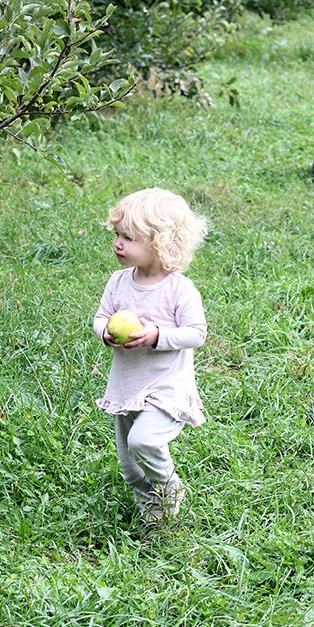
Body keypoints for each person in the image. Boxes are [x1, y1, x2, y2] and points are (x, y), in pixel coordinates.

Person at [93, 187, 208, 532]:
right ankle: (152, 514)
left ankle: (169, 487)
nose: (118, 244)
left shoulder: (179, 289)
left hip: (165, 386)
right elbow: (100, 318)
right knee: (129, 464)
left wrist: (157, 335)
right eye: (117, 235)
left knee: (143, 441)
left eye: (128, 237)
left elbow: (197, 334)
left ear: (159, 244)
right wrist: (105, 334)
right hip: (127, 385)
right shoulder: (118, 282)